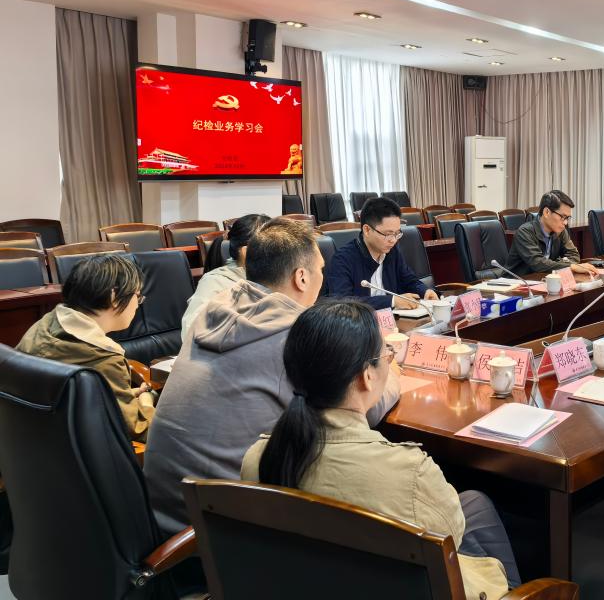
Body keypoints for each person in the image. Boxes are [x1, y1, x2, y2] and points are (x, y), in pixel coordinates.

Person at [242, 300, 519, 599]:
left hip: (314, 584)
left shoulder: (258, 458)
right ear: (367, 375)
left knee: (475, 503)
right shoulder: (410, 473)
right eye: (385, 353)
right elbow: (453, 530)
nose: (389, 359)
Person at [144, 218, 400, 535]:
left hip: (166, 515)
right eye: (320, 270)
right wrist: (389, 367)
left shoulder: (214, 310)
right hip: (230, 532)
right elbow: (363, 407)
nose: (323, 278)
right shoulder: (298, 336)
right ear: (302, 277)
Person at [17, 254, 154, 440]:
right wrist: (146, 402)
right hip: (76, 448)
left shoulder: (45, 324)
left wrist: (120, 396)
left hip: (31, 439)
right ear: (114, 296)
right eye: (137, 296)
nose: (138, 305)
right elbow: (136, 429)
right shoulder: (103, 359)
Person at [325, 196, 439, 309]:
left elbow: (408, 280)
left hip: (396, 318)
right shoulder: (343, 259)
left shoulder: (392, 251)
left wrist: (425, 291)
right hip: (364, 320)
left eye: (397, 233)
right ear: (367, 230)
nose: (393, 240)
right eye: (388, 234)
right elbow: (342, 303)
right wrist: (392, 301)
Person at [182, 213, 271, 336]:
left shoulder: (276, 277)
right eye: (274, 248)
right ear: (246, 252)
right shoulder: (216, 283)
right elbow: (192, 331)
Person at [504, 190, 597, 276]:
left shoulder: (560, 230)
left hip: (543, 279)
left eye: (567, 218)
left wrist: (560, 265)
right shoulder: (525, 232)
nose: (565, 222)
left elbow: (573, 255)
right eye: (562, 217)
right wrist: (571, 266)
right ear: (547, 212)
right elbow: (538, 263)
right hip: (516, 282)